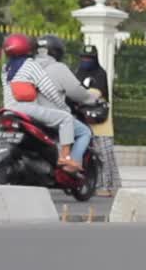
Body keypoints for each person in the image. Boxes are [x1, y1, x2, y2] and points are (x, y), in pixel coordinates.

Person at [0, 34, 79, 171]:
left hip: (8, 110)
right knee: (66, 119)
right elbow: (48, 89)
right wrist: (63, 107)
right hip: (26, 109)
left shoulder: (6, 68)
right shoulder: (31, 65)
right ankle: (65, 159)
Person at [34, 35, 100, 170]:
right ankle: (71, 165)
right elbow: (76, 91)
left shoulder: (28, 66)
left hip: (28, 114)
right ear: (57, 52)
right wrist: (91, 99)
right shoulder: (58, 68)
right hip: (50, 117)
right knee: (84, 132)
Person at [76, 45, 120, 195]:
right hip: (83, 119)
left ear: (95, 59)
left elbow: (96, 94)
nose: (86, 61)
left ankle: (110, 185)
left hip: (101, 120)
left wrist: (81, 94)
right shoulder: (78, 73)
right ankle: (96, 184)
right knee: (89, 154)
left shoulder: (100, 73)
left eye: (89, 58)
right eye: (83, 58)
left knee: (105, 154)